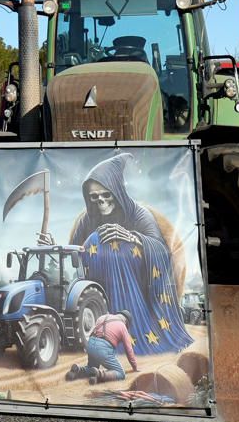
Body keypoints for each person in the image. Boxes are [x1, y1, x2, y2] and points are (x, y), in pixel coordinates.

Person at [68, 151, 194, 355]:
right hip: (99, 291)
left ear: (117, 192)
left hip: (138, 290)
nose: (101, 202)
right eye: (94, 197)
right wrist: (51, 247)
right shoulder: (88, 219)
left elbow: (160, 248)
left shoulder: (138, 214)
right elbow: (74, 252)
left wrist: (132, 237)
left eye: (106, 195)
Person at [66, 310, 140, 384]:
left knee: (91, 367)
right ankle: (100, 374)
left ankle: (77, 370)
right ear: (126, 321)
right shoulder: (122, 326)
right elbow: (129, 349)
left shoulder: (102, 317)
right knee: (120, 373)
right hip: (103, 348)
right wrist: (134, 367)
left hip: (91, 344)